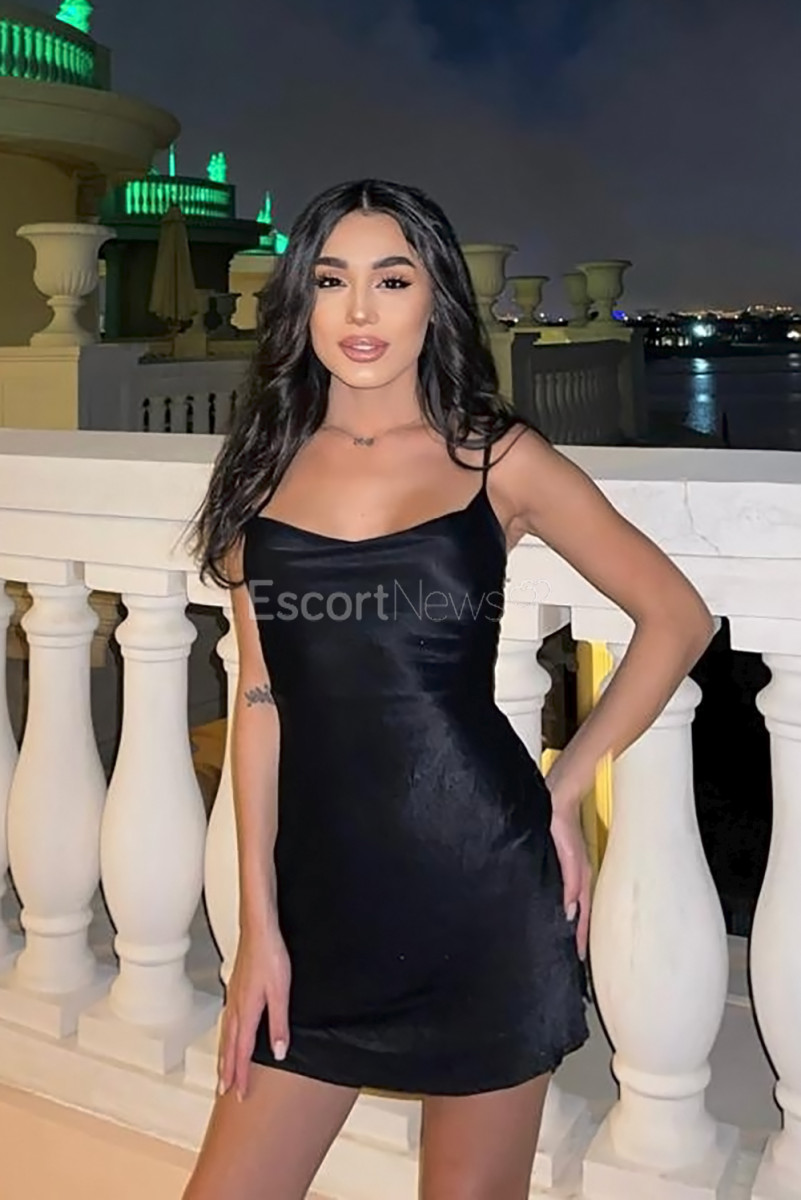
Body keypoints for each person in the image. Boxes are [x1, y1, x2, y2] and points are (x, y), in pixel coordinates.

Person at [184, 179, 714, 1200]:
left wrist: (565, 783)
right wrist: (259, 926)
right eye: (331, 280)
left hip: (482, 891)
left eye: (392, 280)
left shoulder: (494, 456)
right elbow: (259, 701)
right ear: (301, 300)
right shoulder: (262, 468)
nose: (360, 310)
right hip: (321, 906)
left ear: (436, 298)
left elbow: (675, 616)